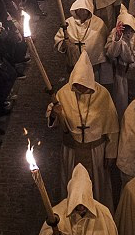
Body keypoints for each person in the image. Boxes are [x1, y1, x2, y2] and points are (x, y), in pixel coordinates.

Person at [48, 51, 121, 209]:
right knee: (71, 184)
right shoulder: (64, 93)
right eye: (77, 85)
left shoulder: (103, 95)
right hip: (71, 150)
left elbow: (113, 128)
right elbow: (53, 119)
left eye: (83, 85)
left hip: (96, 151)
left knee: (97, 188)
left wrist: (110, 153)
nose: (80, 88)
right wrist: (55, 114)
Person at [39, 164, 119, 235]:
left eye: (84, 204)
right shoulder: (57, 212)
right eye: (76, 204)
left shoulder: (103, 213)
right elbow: (45, 234)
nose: (81, 207)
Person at [55, 0, 108, 77]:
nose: (81, 12)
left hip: (92, 64)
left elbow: (103, 42)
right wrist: (64, 43)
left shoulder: (98, 23)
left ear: (89, 10)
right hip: (74, 63)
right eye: (79, 9)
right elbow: (59, 40)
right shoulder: (68, 23)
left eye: (84, 9)